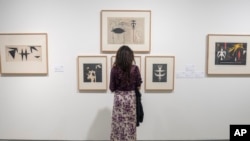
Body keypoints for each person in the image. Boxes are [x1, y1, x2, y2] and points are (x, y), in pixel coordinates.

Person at [109, 45, 142, 141]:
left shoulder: (114, 69)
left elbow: (112, 88)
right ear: (130, 56)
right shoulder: (135, 69)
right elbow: (139, 85)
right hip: (131, 99)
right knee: (130, 124)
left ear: (118, 56)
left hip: (119, 98)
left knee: (118, 124)